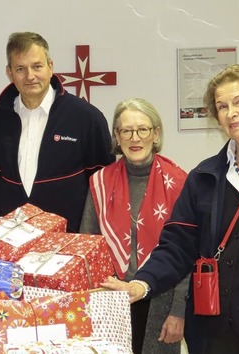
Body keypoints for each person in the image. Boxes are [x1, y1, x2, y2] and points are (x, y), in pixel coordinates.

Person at [102, 64, 239, 354]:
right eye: (222, 106)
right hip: (214, 332)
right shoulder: (204, 177)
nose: (231, 112)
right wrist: (142, 284)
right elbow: (177, 246)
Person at [79, 98, 188, 354]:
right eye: (126, 131)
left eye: (142, 129)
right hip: (112, 300)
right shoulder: (100, 182)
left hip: (163, 298)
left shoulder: (181, 181)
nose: (134, 138)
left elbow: (187, 254)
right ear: (117, 136)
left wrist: (179, 312)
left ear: (156, 133)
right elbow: (89, 247)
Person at [0, 31, 114, 230]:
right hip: (13, 239)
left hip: (68, 240)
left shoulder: (86, 117)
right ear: (9, 72)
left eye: (37, 66)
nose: (30, 76)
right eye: (20, 68)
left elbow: (103, 184)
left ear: (50, 67)